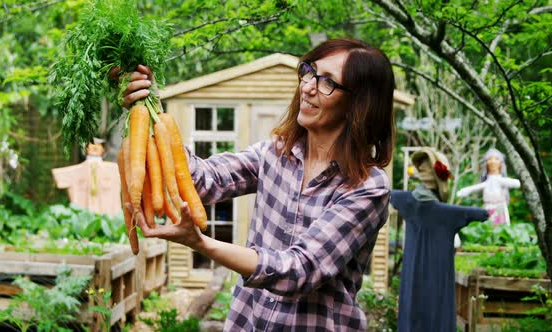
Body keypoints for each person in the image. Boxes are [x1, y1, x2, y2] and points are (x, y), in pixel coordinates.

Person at [123, 38, 395, 331]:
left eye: (327, 82)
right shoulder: (275, 153)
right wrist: (150, 109)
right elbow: (203, 181)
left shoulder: (368, 188)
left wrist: (200, 243)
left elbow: (299, 271)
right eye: (309, 71)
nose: (307, 87)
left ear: (360, 104)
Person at [390, 147, 488, 332]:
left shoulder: (405, 202)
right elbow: (482, 214)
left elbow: (386, 194)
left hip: (412, 281)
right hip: (437, 284)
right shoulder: (449, 214)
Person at [457, 148, 520, 225]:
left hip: (500, 209)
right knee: (487, 226)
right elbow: (478, 186)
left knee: (501, 228)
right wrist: (466, 190)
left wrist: (500, 180)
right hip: (487, 208)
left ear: (501, 163)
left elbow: (516, 183)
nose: (493, 162)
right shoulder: (487, 182)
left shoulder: (502, 181)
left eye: (496, 159)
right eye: (490, 159)